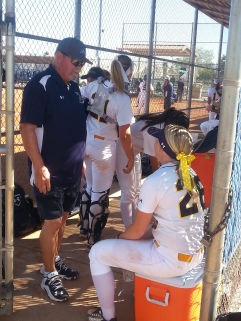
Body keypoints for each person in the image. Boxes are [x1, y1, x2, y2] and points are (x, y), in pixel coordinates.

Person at [86, 124, 205, 321]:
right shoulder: (191, 173)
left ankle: (107, 317)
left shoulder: (157, 179)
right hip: (194, 256)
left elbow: (137, 231)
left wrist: (119, 238)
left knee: (97, 253)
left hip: (171, 261)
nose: (155, 143)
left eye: (159, 141)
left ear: (163, 149)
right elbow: (163, 225)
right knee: (137, 241)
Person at [20, 37, 92, 302]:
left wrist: (80, 159)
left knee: (62, 221)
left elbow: (73, 128)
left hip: (72, 170)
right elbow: (27, 129)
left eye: (83, 64)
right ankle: (49, 275)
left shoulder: (74, 88)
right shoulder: (41, 84)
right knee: (51, 222)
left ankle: (55, 259)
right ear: (59, 56)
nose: (79, 68)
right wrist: (39, 168)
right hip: (48, 172)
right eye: (76, 62)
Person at [79, 54, 134, 249]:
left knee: (90, 186)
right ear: (128, 72)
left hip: (85, 142)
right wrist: (131, 157)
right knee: (100, 194)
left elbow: (79, 97)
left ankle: (84, 227)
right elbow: (125, 134)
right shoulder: (122, 98)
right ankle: (92, 239)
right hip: (103, 147)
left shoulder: (97, 85)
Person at [115, 107, 190, 228]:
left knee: (136, 191)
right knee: (128, 192)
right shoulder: (155, 130)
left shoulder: (164, 128)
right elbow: (154, 158)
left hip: (134, 151)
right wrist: (161, 177)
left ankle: (134, 224)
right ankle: (129, 229)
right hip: (124, 150)